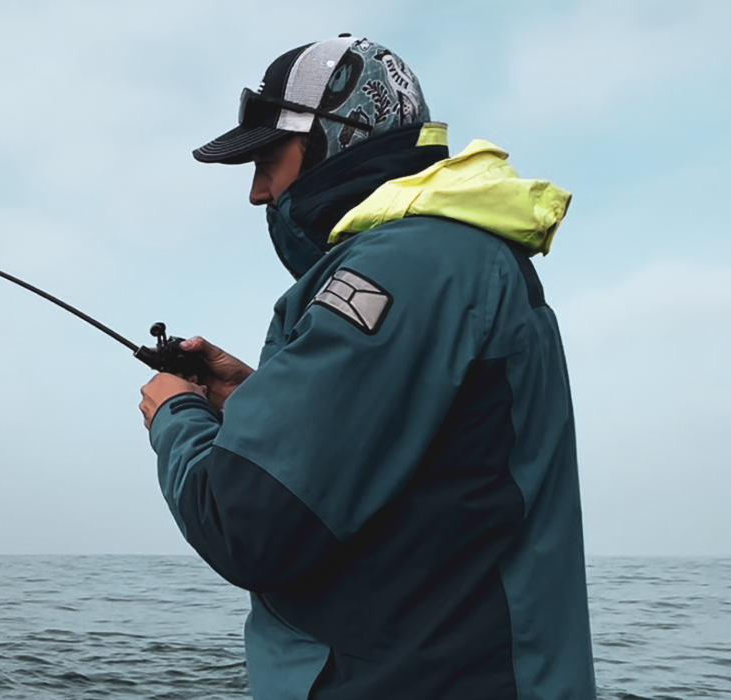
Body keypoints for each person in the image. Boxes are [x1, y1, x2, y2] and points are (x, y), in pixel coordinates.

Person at [137, 36, 595, 699]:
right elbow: (410, 475)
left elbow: (247, 521)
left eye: (267, 159)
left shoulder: (404, 266)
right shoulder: (446, 261)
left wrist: (176, 417)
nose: (258, 192)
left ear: (335, 141)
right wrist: (250, 398)